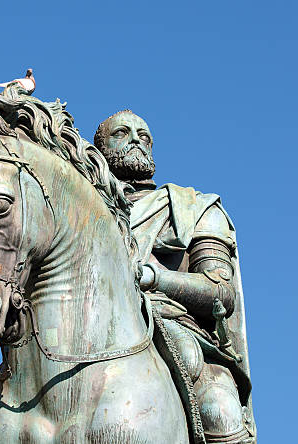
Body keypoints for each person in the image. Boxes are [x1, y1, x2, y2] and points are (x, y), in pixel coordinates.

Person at [94, 111, 256, 444]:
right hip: (92, 327)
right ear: (101, 148)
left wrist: (152, 277)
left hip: (180, 330)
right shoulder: (83, 208)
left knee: (219, 409)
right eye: (122, 133)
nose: (136, 139)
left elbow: (220, 292)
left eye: (144, 135)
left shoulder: (192, 207)